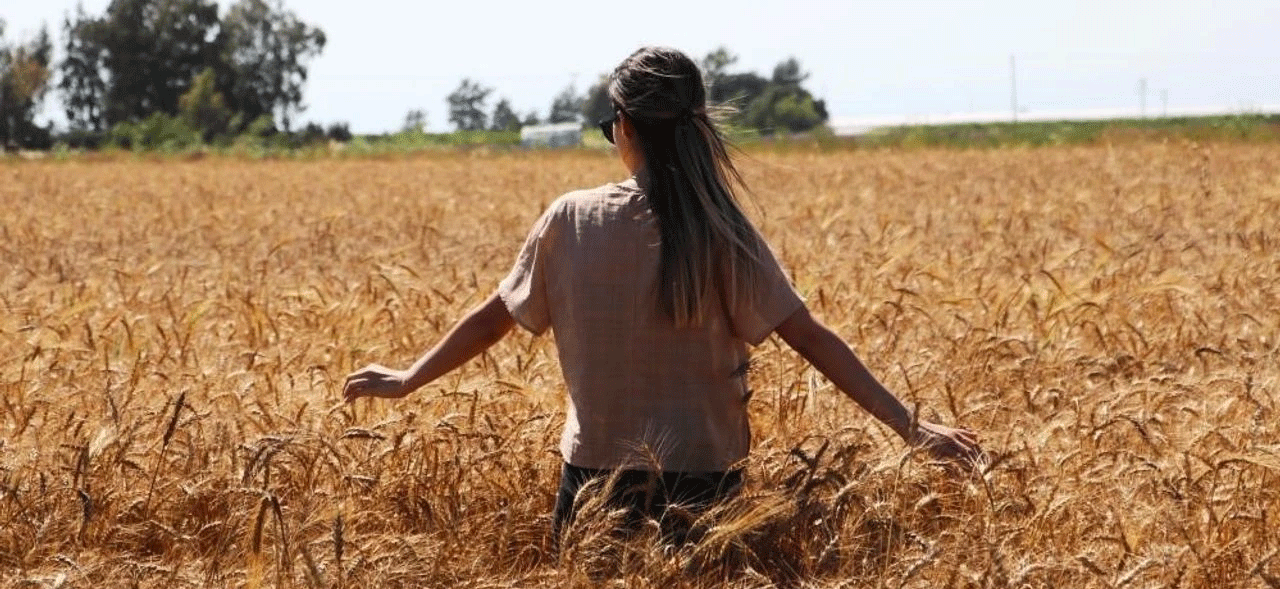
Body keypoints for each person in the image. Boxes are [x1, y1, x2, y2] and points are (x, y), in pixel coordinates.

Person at [343, 46, 981, 544]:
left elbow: (492, 319)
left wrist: (407, 379)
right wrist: (913, 427)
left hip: (594, 483)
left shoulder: (570, 219)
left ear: (623, 124)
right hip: (704, 487)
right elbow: (808, 335)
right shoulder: (721, 228)